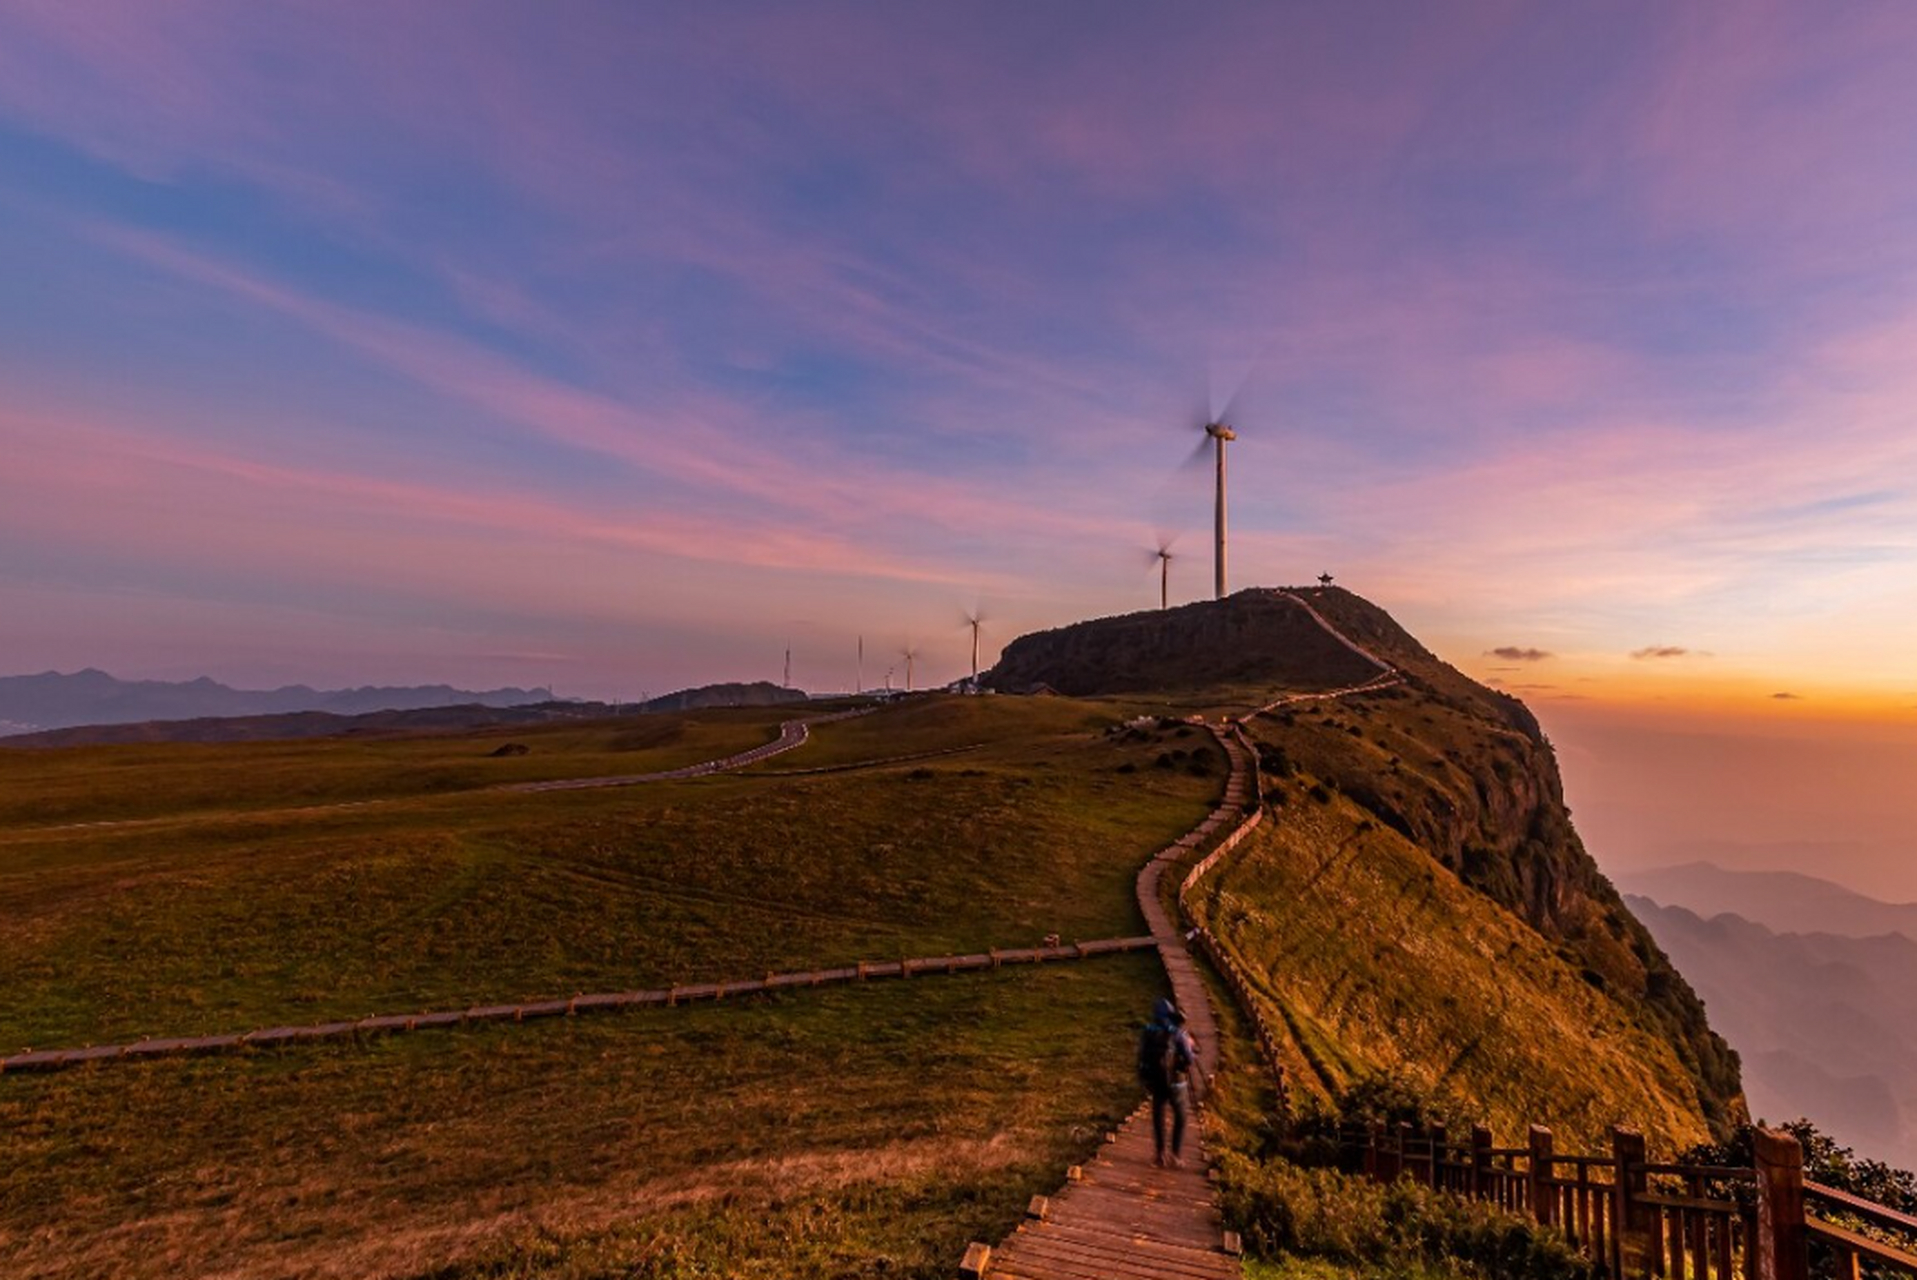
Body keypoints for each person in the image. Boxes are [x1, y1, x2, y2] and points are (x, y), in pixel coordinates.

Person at [1136, 996, 1196, 1168]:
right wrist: (1190, 1047)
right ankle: (1175, 1155)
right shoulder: (1178, 1034)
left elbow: (1142, 1056)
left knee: (1158, 1117)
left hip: (1157, 1081)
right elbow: (1190, 1059)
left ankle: (1160, 1154)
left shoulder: (1149, 1031)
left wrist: (1144, 1077)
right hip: (1177, 1083)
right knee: (1181, 1117)